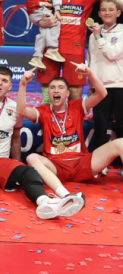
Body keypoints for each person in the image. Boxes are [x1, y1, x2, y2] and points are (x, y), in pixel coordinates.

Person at [0, 32, 85, 219]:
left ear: (10, 86)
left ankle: (45, 203)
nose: (0, 83)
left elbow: (16, 137)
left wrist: (17, 160)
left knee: (28, 173)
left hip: (1, 162)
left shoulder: (14, 108)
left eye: (4, 81)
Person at [19, 66, 123, 201]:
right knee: (32, 158)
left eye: (60, 87)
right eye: (52, 88)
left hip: (82, 164)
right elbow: (22, 111)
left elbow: (102, 93)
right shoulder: (43, 111)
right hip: (56, 167)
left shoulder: (77, 106)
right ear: (49, 93)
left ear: (67, 93)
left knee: (120, 143)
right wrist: (23, 84)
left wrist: (90, 73)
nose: (56, 90)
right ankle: (66, 195)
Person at [37, 0, 123, 101]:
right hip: (50, 46)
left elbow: (118, 3)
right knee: (48, 94)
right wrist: (41, 20)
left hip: (74, 47)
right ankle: (48, 118)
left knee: (75, 94)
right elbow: (35, 8)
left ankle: (73, 119)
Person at [88, 0, 123, 151]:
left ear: (118, 13)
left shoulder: (121, 32)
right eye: (103, 10)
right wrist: (91, 85)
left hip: (120, 86)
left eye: (111, 10)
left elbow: (112, 54)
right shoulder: (93, 35)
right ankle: (99, 161)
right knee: (100, 127)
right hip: (100, 87)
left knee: (122, 126)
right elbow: (92, 61)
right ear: (99, 14)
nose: (107, 13)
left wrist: (98, 36)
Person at [21, 0, 64, 70]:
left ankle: (37, 56)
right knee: (55, 22)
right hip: (36, 9)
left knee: (44, 32)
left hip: (45, 10)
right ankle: (52, 49)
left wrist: (57, 9)